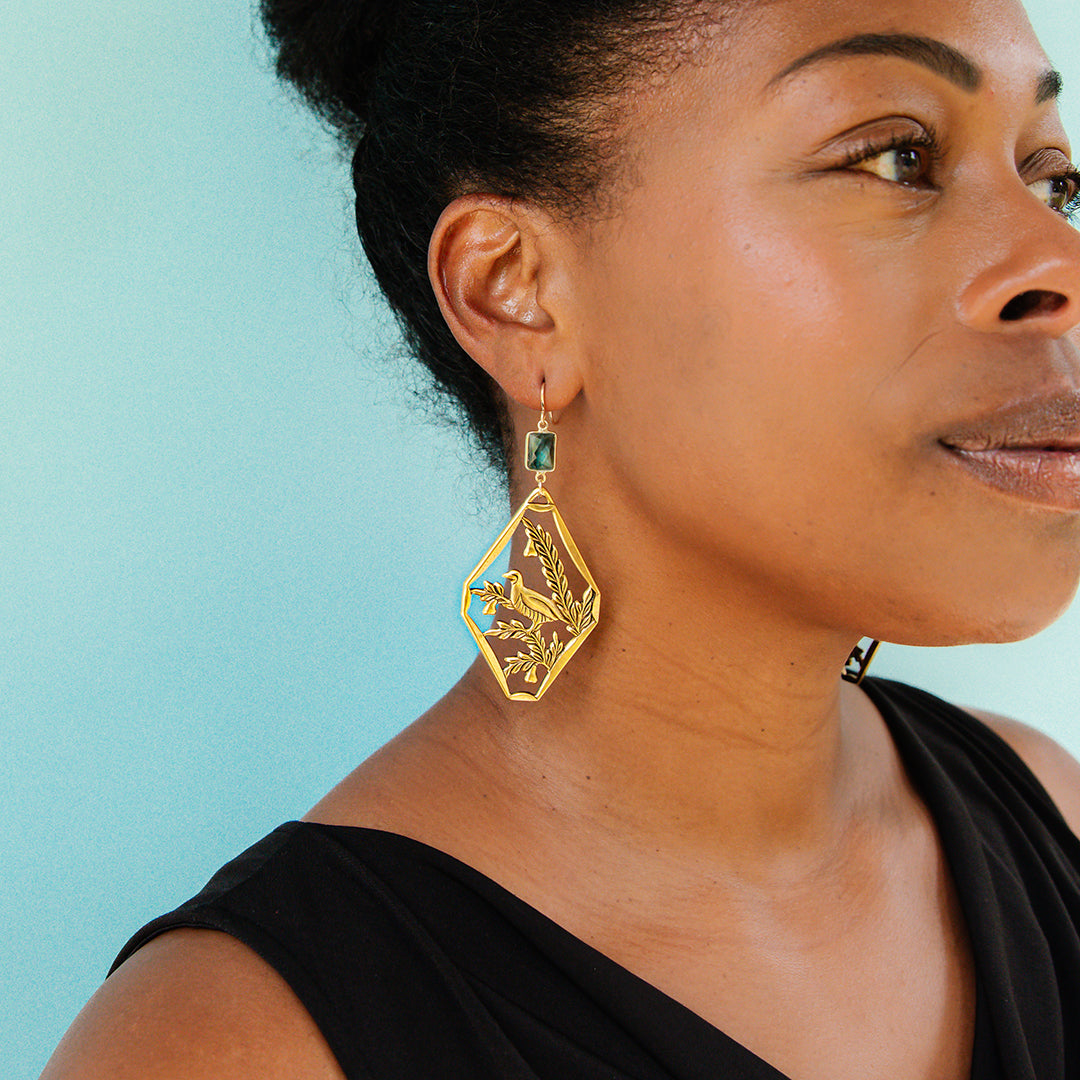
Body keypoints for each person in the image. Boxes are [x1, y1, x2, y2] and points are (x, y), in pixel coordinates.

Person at [40, 0, 1080, 1077]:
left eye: (1054, 179)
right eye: (894, 157)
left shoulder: (1051, 811)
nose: (1059, 258)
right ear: (515, 290)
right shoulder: (234, 1045)